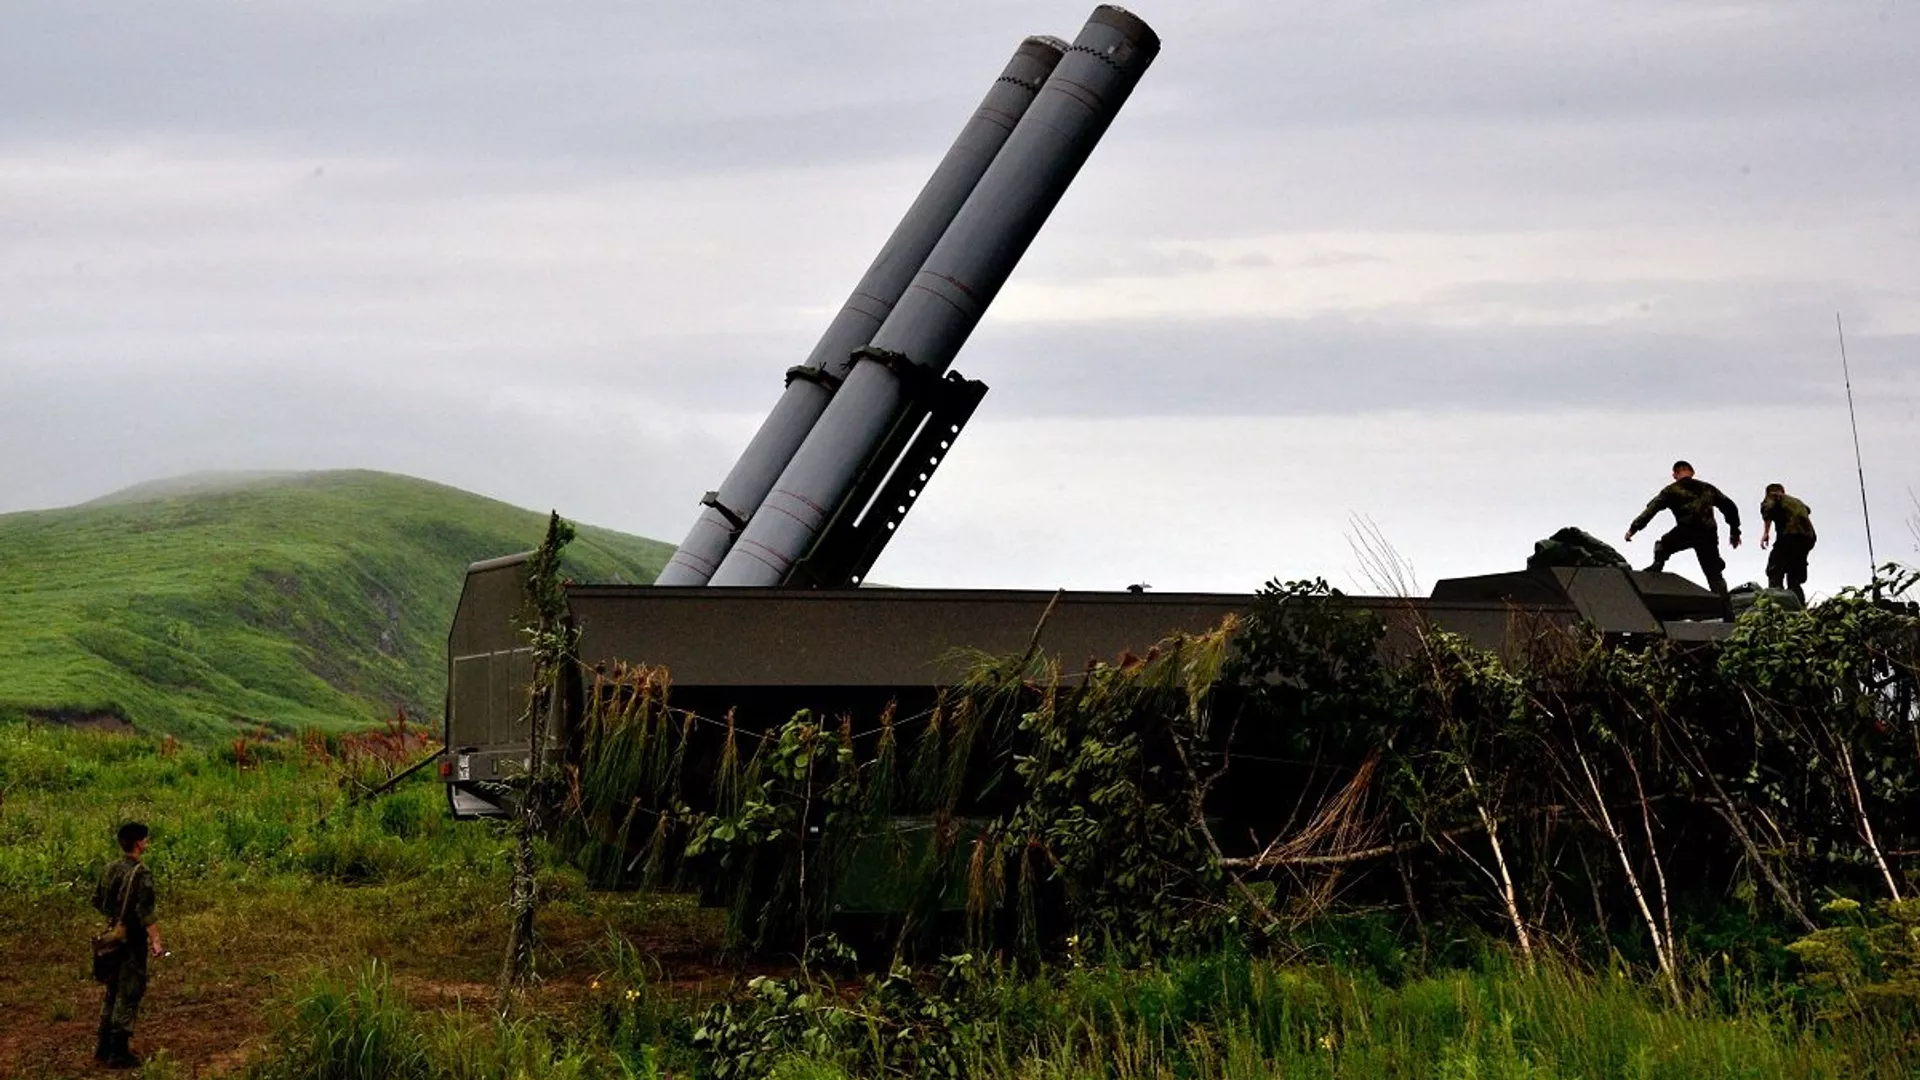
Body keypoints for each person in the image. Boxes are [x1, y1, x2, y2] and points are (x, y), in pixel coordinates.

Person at [92, 821, 160, 1069]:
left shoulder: (110, 869)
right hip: (132, 941)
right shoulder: (141, 873)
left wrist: (115, 919)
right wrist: (156, 940)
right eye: (145, 839)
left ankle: (102, 1046)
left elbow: (98, 901)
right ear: (139, 843)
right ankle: (118, 1051)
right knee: (129, 992)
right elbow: (146, 913)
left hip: (112, 938)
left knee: (111, 991)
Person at [1624, 460, 1742, 594]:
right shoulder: (1707, 488)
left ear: (1674, 474)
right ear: (1692, 472)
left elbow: (1651, 509)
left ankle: (1657, 565)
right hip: (1708, 535)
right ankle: (1726, 608)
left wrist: (1633, 529)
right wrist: (1735, 531)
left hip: (1686, 531)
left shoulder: (1670, 490)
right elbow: (1729, 507)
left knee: (1662, 546)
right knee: (1714, 574)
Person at [1759, 483, 1817, 603]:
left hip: (1790, 535)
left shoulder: (1773, 496)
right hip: (1808, 539)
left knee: (1775, 569)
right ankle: (1799, 607)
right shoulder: (1797, 501)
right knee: (1794, 575)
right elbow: (1808, 510)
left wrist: (1766, 532)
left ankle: (1777, 604)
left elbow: (1768, 509)